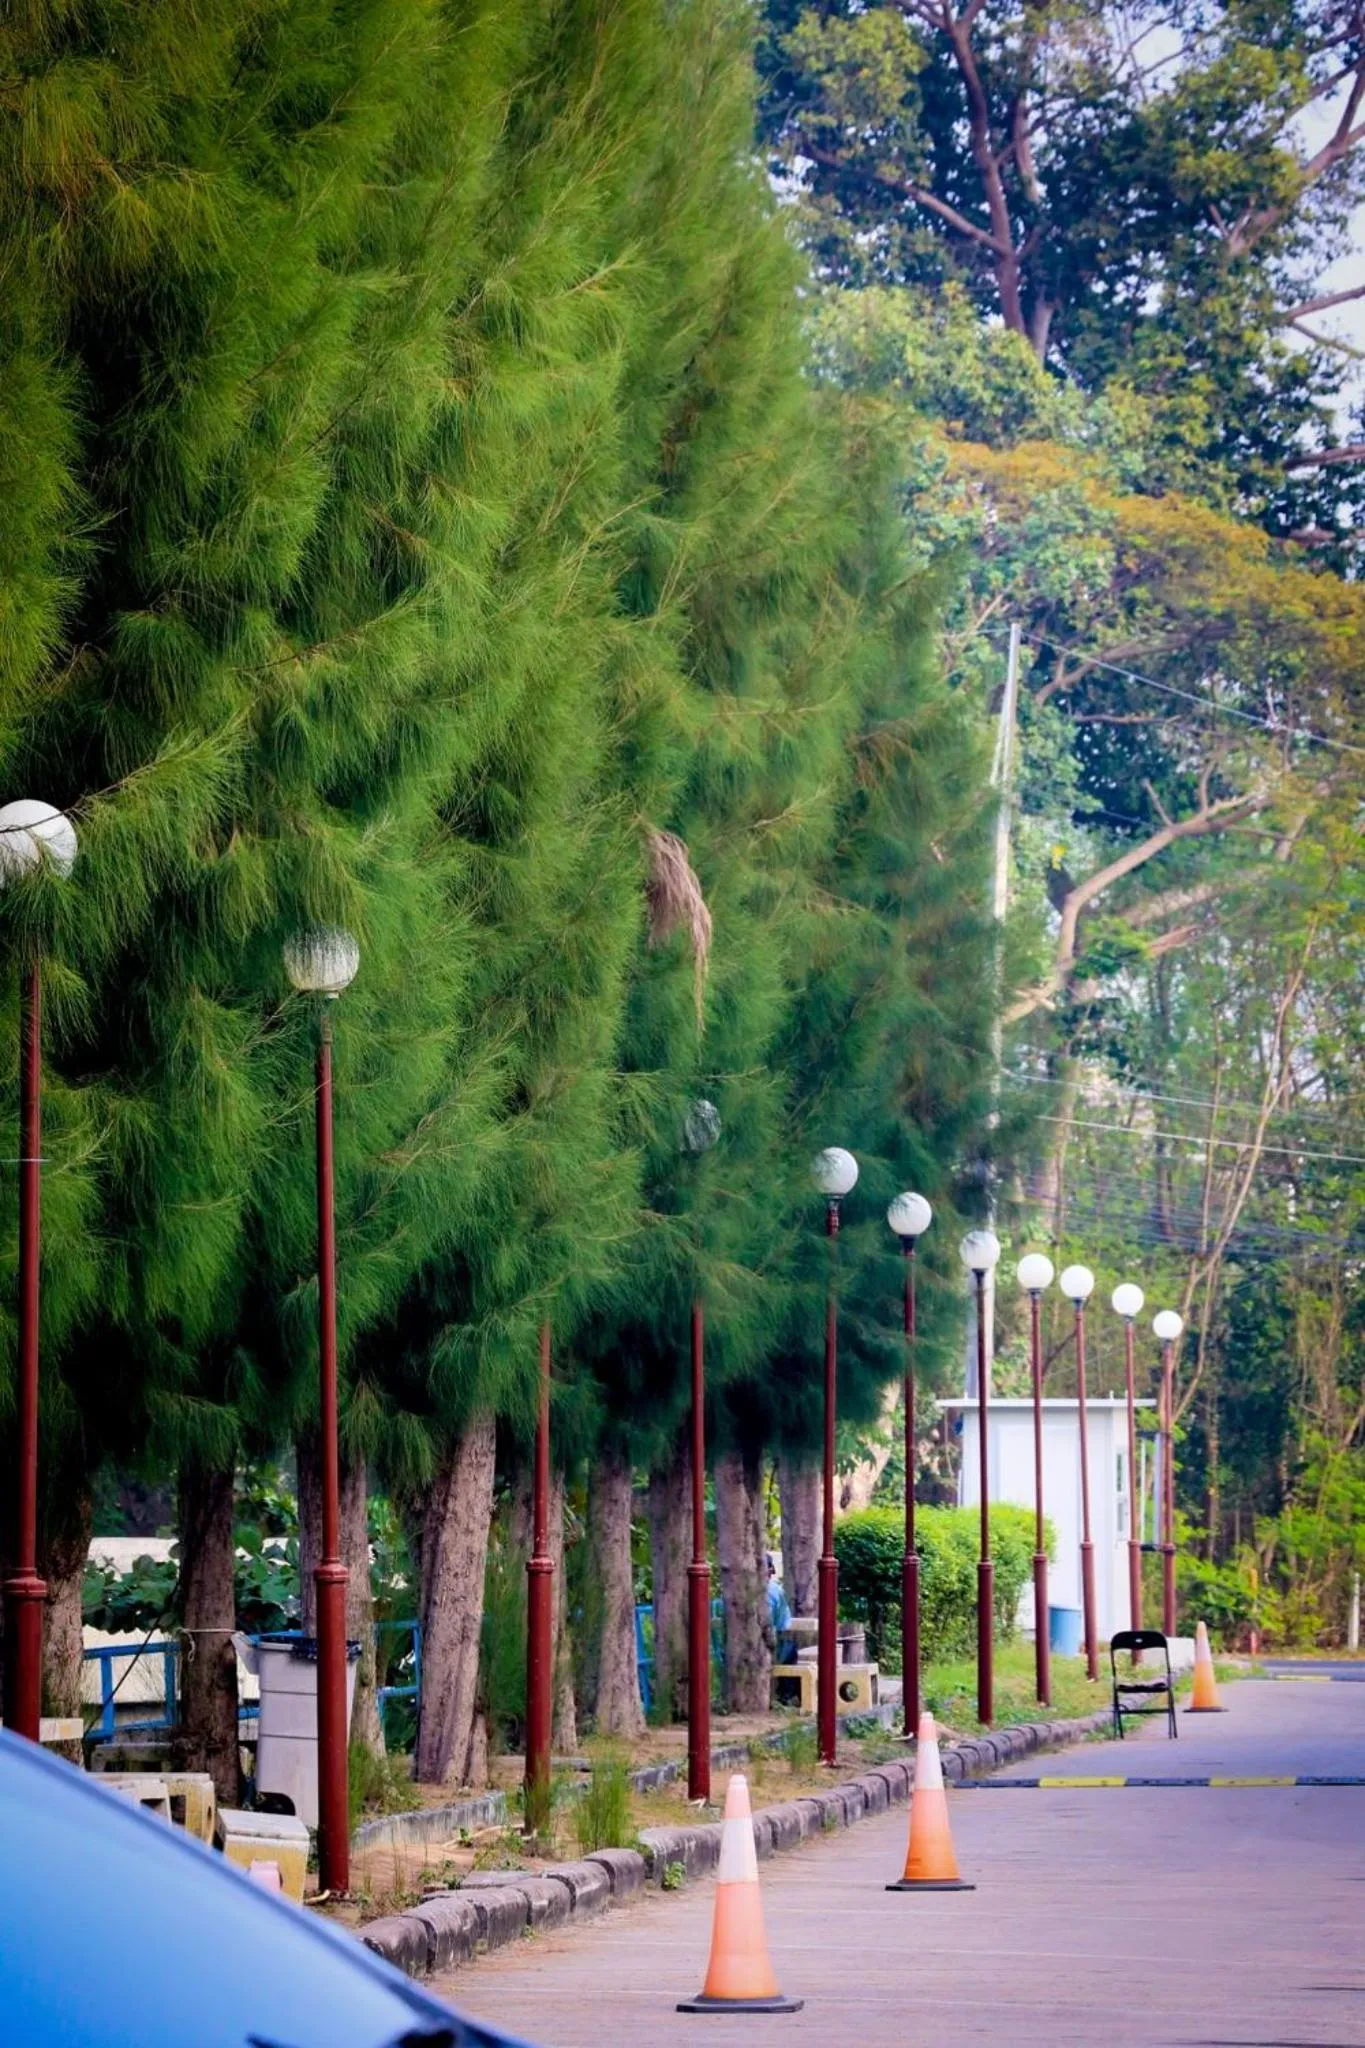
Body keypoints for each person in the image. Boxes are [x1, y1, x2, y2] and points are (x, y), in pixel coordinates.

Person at [766, 1557, 794, 1664]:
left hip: (736, 1651)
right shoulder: (776, 1591)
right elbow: (783, 1625)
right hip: (771, 1652)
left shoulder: (731, 1593)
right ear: (770, 1571)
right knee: (790, 1648)